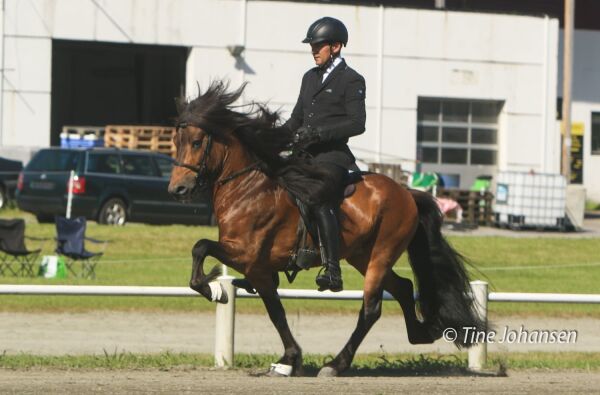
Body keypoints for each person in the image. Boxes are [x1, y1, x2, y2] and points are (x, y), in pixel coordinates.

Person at [283, 17, 366, 292]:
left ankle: (332, 270)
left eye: (318, 45)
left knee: (317, 197)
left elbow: (357, 123)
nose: (313, 50)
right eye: (312, 45)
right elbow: (296, 119)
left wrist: (318, 134)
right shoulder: (309, 77)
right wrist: (271, 137)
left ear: (336, 46)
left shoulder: (352, 80)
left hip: (332, 158)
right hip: (304, 156)